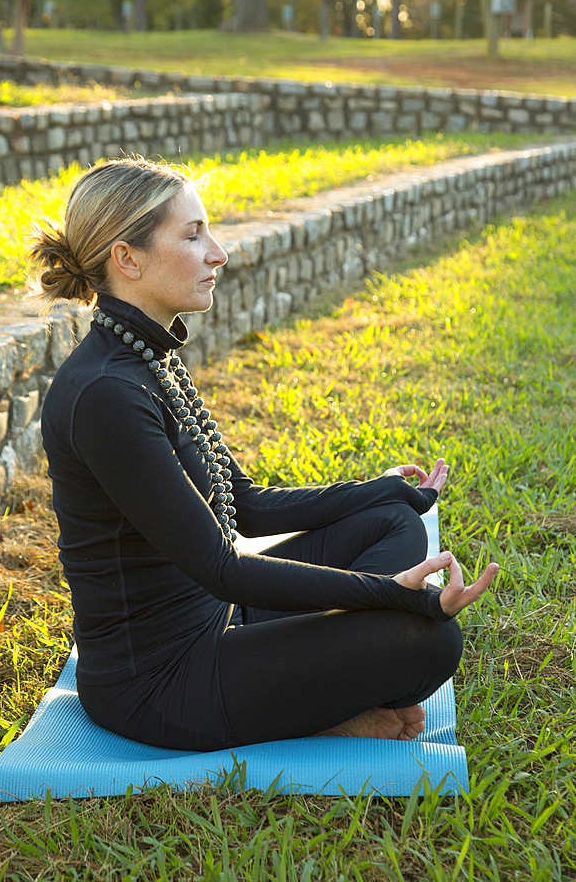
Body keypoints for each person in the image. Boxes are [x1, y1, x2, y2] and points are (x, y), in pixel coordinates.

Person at [33, 156, 498, 752]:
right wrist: (396, 593)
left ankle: (314, 683)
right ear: (128, 258)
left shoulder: (149, 356)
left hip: (225, 616)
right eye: (193, 235)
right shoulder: (106, 396)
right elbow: (222, 567)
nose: (218, 253)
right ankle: (326, 706)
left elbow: (246, 506)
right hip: (159, 682)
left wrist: (385, 489)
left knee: (392, 522)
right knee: (429, 640)